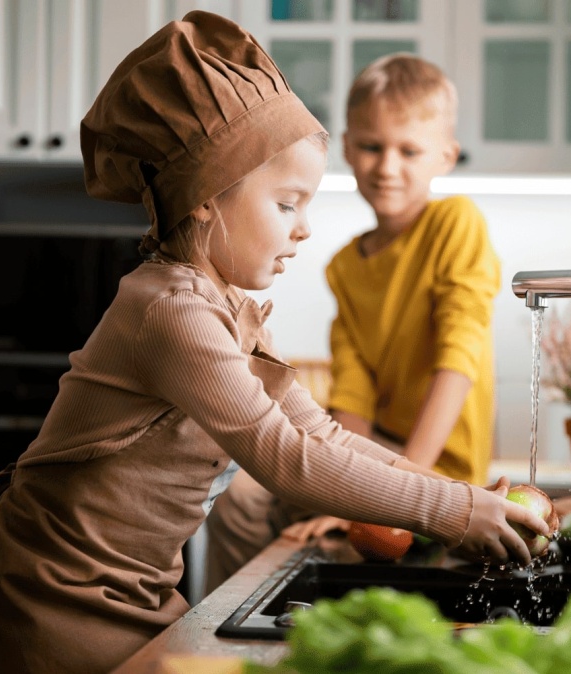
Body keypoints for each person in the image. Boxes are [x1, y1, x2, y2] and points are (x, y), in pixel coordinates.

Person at [0, 13, 546, 674]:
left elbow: (325, 436)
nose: (305, 229)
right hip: (43, 594)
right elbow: (283, 458)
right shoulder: (172, 310)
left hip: (124, 595)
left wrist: (462, 497)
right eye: (287, 204)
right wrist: (455, 511)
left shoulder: (221, 309)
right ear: (204, 199)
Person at [205, 54, 501, 592]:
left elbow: (459, 361)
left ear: (446, 155)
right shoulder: (345, 264)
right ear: (345, 148)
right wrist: (355, 489)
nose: (387, 166)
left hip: (441, 470)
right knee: (242, 497)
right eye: (371, 146)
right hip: (377, 454)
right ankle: (224, 632)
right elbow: (354, 395)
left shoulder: (457, 224)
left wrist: (398, 492)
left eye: (408, 150)